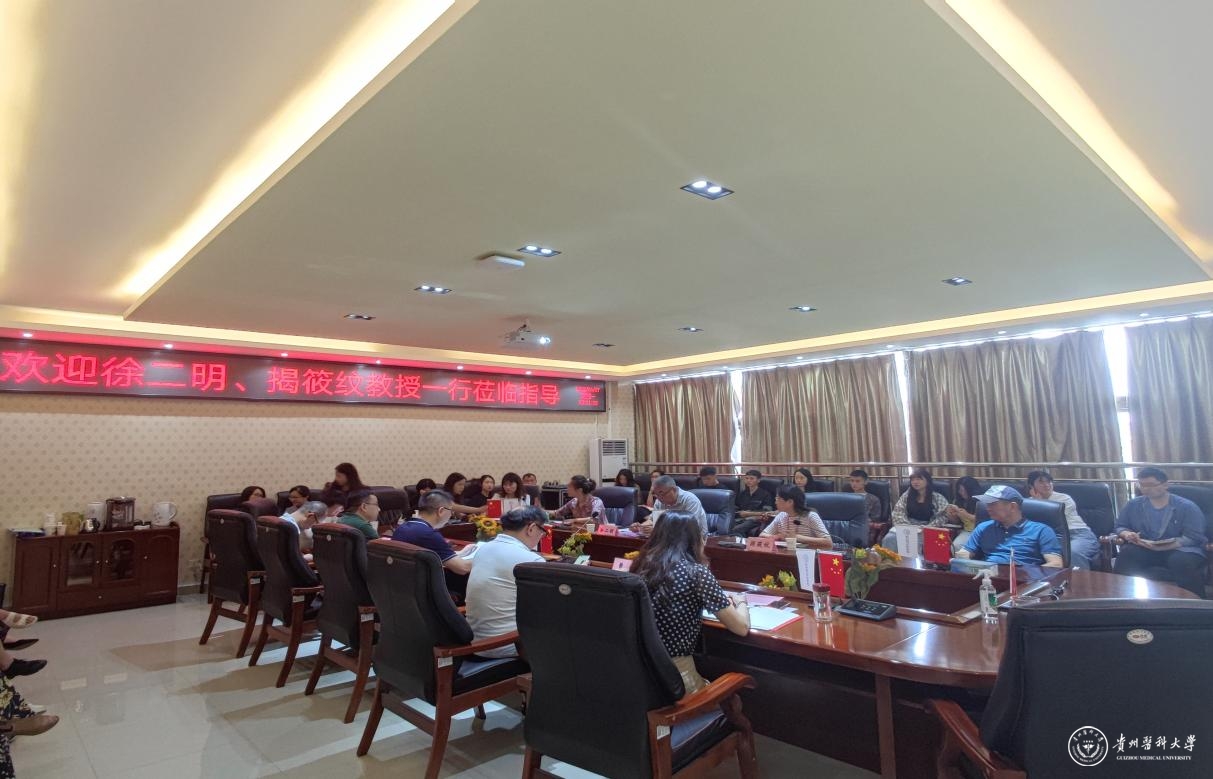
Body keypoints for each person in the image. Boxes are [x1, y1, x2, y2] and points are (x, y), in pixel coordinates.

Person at [632, 511, 749, 694]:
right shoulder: (696, 573)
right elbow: (741, 627)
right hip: (675, 679)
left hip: (638, 676)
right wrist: (741, 602)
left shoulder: (640, 566)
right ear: (695, 539)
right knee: (733, 698)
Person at [463, 506, 546, 658]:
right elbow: (545, 608)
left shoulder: (483, 549)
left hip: (474, 642)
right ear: (532, 528)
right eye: (542, 531)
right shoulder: (531, 561)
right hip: (507, 645)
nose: (542, 536)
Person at [1112, 467, 1207, 597]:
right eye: (1142, 485)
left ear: (1165, 485)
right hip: (1146, 547)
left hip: (1181, 549)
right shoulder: (1133, 505)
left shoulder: (1186, 506)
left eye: (1151, 485)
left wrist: (1162, 546)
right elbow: (1120, 526)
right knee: (1127, 554)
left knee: (1180, 561)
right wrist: (1127, 534)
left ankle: (1195, 602)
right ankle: (1123, 598)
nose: (1146, 489)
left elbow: (1194, 537)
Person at [959, 486, 1063, 567]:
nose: (988, 508)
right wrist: (966, 565)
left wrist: (1027, 575)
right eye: (987, 504)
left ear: (1013, 506)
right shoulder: (983, 527)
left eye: (993, 504)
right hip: (988, 577)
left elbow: (1056, 564)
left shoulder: (1042, 530)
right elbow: (965, 553)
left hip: (1024, 580)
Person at [391, 491, 474, 590]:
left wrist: (461, 553)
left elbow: (432, 555)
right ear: (441, 511)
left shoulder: (402, 527)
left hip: (402, 586)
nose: (451, 515)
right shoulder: (429, 534)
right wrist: (483, 558)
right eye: (451, 511)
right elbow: (462, 568)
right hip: (423, 590)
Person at [1026, 470, 1100, 570]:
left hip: (1077, 534)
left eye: (1049, 481)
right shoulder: (1028, 502)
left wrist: (1039, 502)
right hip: (1049, 538)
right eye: (1041, 482)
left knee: (1073, 553)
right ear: (1031, 486)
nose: (1047, 485)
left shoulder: (1064, 498)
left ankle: (1079, 580)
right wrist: (1036, 502)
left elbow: (1055, 520)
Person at [760, 485, 832, 549]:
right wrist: (778, 536)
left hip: (807, 556)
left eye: (778, 499)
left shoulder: (810, 516)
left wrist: (797, 537)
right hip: (784, 555)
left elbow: (828, 542)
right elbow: (762, 535)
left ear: (790, 502)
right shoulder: (781, 515)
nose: (775, 502)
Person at [643, 476, 709, 535]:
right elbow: (653, 520)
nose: (659, 498)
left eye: (662, 494)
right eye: (657, 494)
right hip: (668, 537)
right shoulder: (659, 502)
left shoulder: (690, 500)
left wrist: (658, 530)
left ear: (674, 490)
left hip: (695, 538)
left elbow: (690, 527)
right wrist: (642, 527)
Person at [731, 469, 774, 536]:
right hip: (740, 519)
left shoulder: (765, 494)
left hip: (755, 519)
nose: (748, 480)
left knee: (737, 529)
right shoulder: (742, 494)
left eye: (751, 478)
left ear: (758, 480)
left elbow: (767, 512)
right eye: (746, 478)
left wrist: (748, 514)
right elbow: (736, 507)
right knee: (726, 526)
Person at [945, 476, 983, 549]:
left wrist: (967, 515)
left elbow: (983, 520)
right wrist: (951, 516)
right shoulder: (958, 501)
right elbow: (956, 522)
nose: (961, 493)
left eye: (963, 490)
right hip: (967, 531)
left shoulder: (981, 502)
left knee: (958, 546)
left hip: (980, 531)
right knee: (955, 546)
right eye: (959, 490)